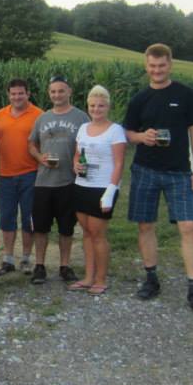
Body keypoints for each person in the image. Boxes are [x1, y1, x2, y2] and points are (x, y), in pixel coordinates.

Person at [123, 43, 193, 316]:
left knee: (189, 227)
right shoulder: (140, 98)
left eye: (161, 65)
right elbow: (127, 133)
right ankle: (151, 279)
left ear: (170, 65)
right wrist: (142, 137)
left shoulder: (185, 95)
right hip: (145, 170)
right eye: (152, 66)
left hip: (179, 172)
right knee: (145, 225)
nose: (157, 70)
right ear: (146, 66)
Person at [27, 75, 90, 285]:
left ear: (69, 92)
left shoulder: (81, 117)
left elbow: (89, 143)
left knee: (66, 227)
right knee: (40, 227)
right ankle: (39, 266)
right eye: (53, 91)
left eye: (61, 91)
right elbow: (31, 143)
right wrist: (39, 157)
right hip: (43, 181)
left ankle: (65, 266)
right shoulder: (42, 118)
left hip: (69, 181)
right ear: (49, 94)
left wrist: (81, 162)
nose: (57, 95)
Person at [0, 78, 43, 276]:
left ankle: (26, 258)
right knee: (7, 217)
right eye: (13, 94)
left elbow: (45, 144)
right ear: (8, 95)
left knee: (28, 217)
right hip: (6, 175)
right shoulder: (1, 115)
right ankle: (8, 258)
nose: (17, 97)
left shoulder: (39, 115)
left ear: (28, 94)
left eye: (21, 93)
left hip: (31, 174)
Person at [70, 85, 126, 295]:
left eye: (101, 105)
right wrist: (76, 165)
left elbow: (119, 163)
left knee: (98, 233)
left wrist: (110, 192)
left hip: (103, 187)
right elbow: (77, 154)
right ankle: (88, 276)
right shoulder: (83, 128)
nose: (96, 109)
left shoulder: (115, 130)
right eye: (93, 105)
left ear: (108, 107)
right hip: (82, 185)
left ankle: (101, 279)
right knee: (86, 232)